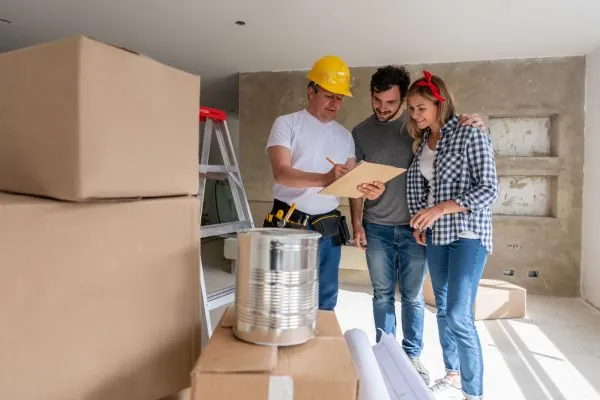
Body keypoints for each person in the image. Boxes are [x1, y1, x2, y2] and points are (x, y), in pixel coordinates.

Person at [350, 66, 485, 385]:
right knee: (382, 294)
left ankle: (412, 357)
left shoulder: (417, 128)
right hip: (377, 226)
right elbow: (355, 183)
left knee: (412, 297)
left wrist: (477, 120)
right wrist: (357, 223)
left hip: (416, 228)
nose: (383, 108)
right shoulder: (361, 132)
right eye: (377, 101)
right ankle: (386, 352)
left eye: (391, 102)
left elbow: (450, 130)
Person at [264, 55, 385, 311]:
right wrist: (324, 179)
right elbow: (281, 173)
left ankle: (322, 350)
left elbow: (352, 185)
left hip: (328, 229)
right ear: (311, 91)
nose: (335, 103)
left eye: (339, 97)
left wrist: (358, 217)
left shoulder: (344, 137)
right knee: (285, 301)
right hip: (290, 226)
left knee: (326, 301)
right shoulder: (287, 124)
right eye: (329, 95)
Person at [405, 70, 498, 400]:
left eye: (421, 108)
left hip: (468, 235)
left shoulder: (470, 132)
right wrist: (420, 222)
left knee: (460, 314)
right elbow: (421, 187)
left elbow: (489, 189)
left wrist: (441, 208)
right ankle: (453, 374)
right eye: (411, 109)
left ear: (439, 103)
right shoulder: (423, 144)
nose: (415, 116)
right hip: (436, 237)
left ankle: (474, 393)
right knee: (443, 310)